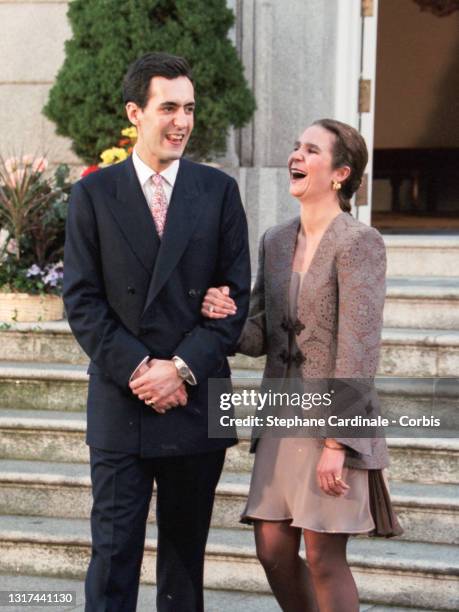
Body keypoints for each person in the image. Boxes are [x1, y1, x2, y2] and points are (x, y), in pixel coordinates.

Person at [63, 52, 251, 612]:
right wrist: (144, 370)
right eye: (168, 107)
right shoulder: (93, 195)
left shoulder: (218, 191)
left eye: (189, 108)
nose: (182, 122)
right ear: (135, 113)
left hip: (197, 400)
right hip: (123, 399)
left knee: (184, 564)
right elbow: (82, 300)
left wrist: (182, 368)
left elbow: (234, 297)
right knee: (113, 557)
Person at [201, 118, 402, 612]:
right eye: (296, 147)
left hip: (331, 421)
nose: (296, 155)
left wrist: (338, 442)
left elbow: (359, 347)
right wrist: (223, 317)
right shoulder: (275, 239)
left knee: (322, 555)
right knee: (271, 548)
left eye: (311, 150)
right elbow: (260, 333)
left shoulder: (360, 242)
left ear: (340, 172)